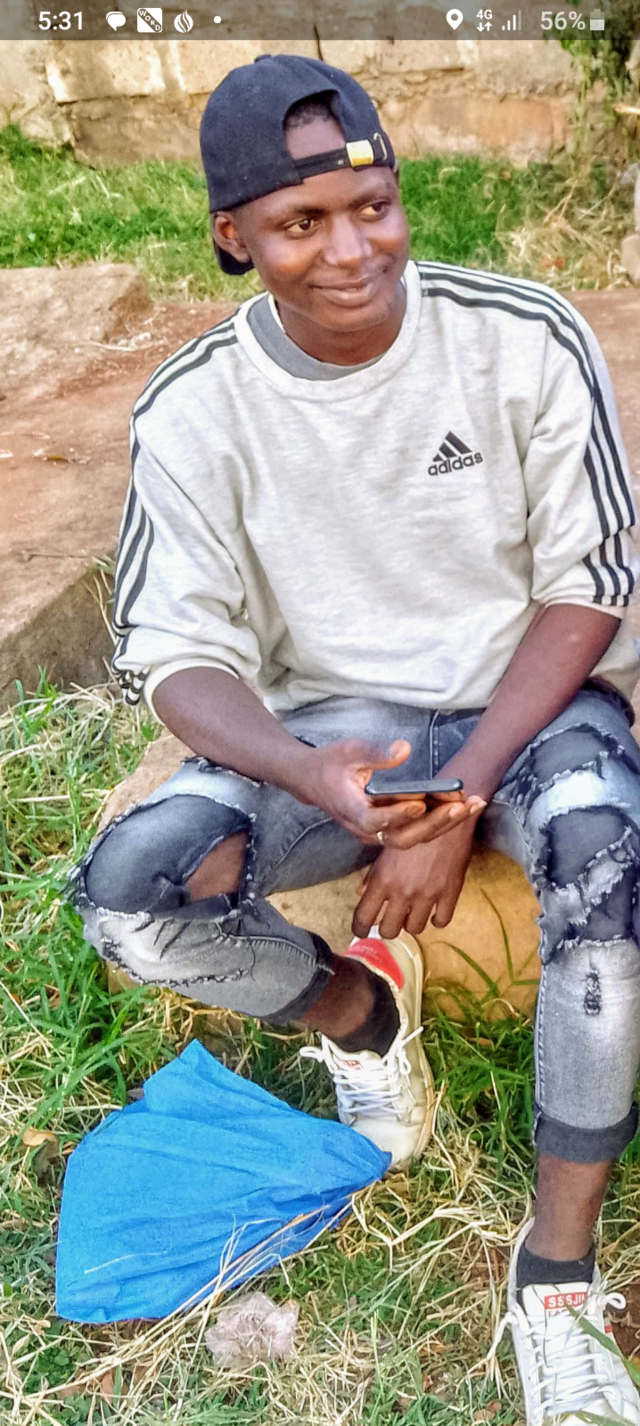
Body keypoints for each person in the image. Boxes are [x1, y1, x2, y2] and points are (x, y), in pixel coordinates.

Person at [70, 54, 640, 1423]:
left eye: (372, 206)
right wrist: (303, 772)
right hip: (331, 730)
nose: (351, 251)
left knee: (604, 871)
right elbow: (174, 650)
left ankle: (556, 1276)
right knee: (133, 893)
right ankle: (363, 1015)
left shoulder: (522, 336)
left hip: (532, 702)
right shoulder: (194, 408)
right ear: (234, 236)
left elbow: (590, 586)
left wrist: (466, 792)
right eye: (301, 224)